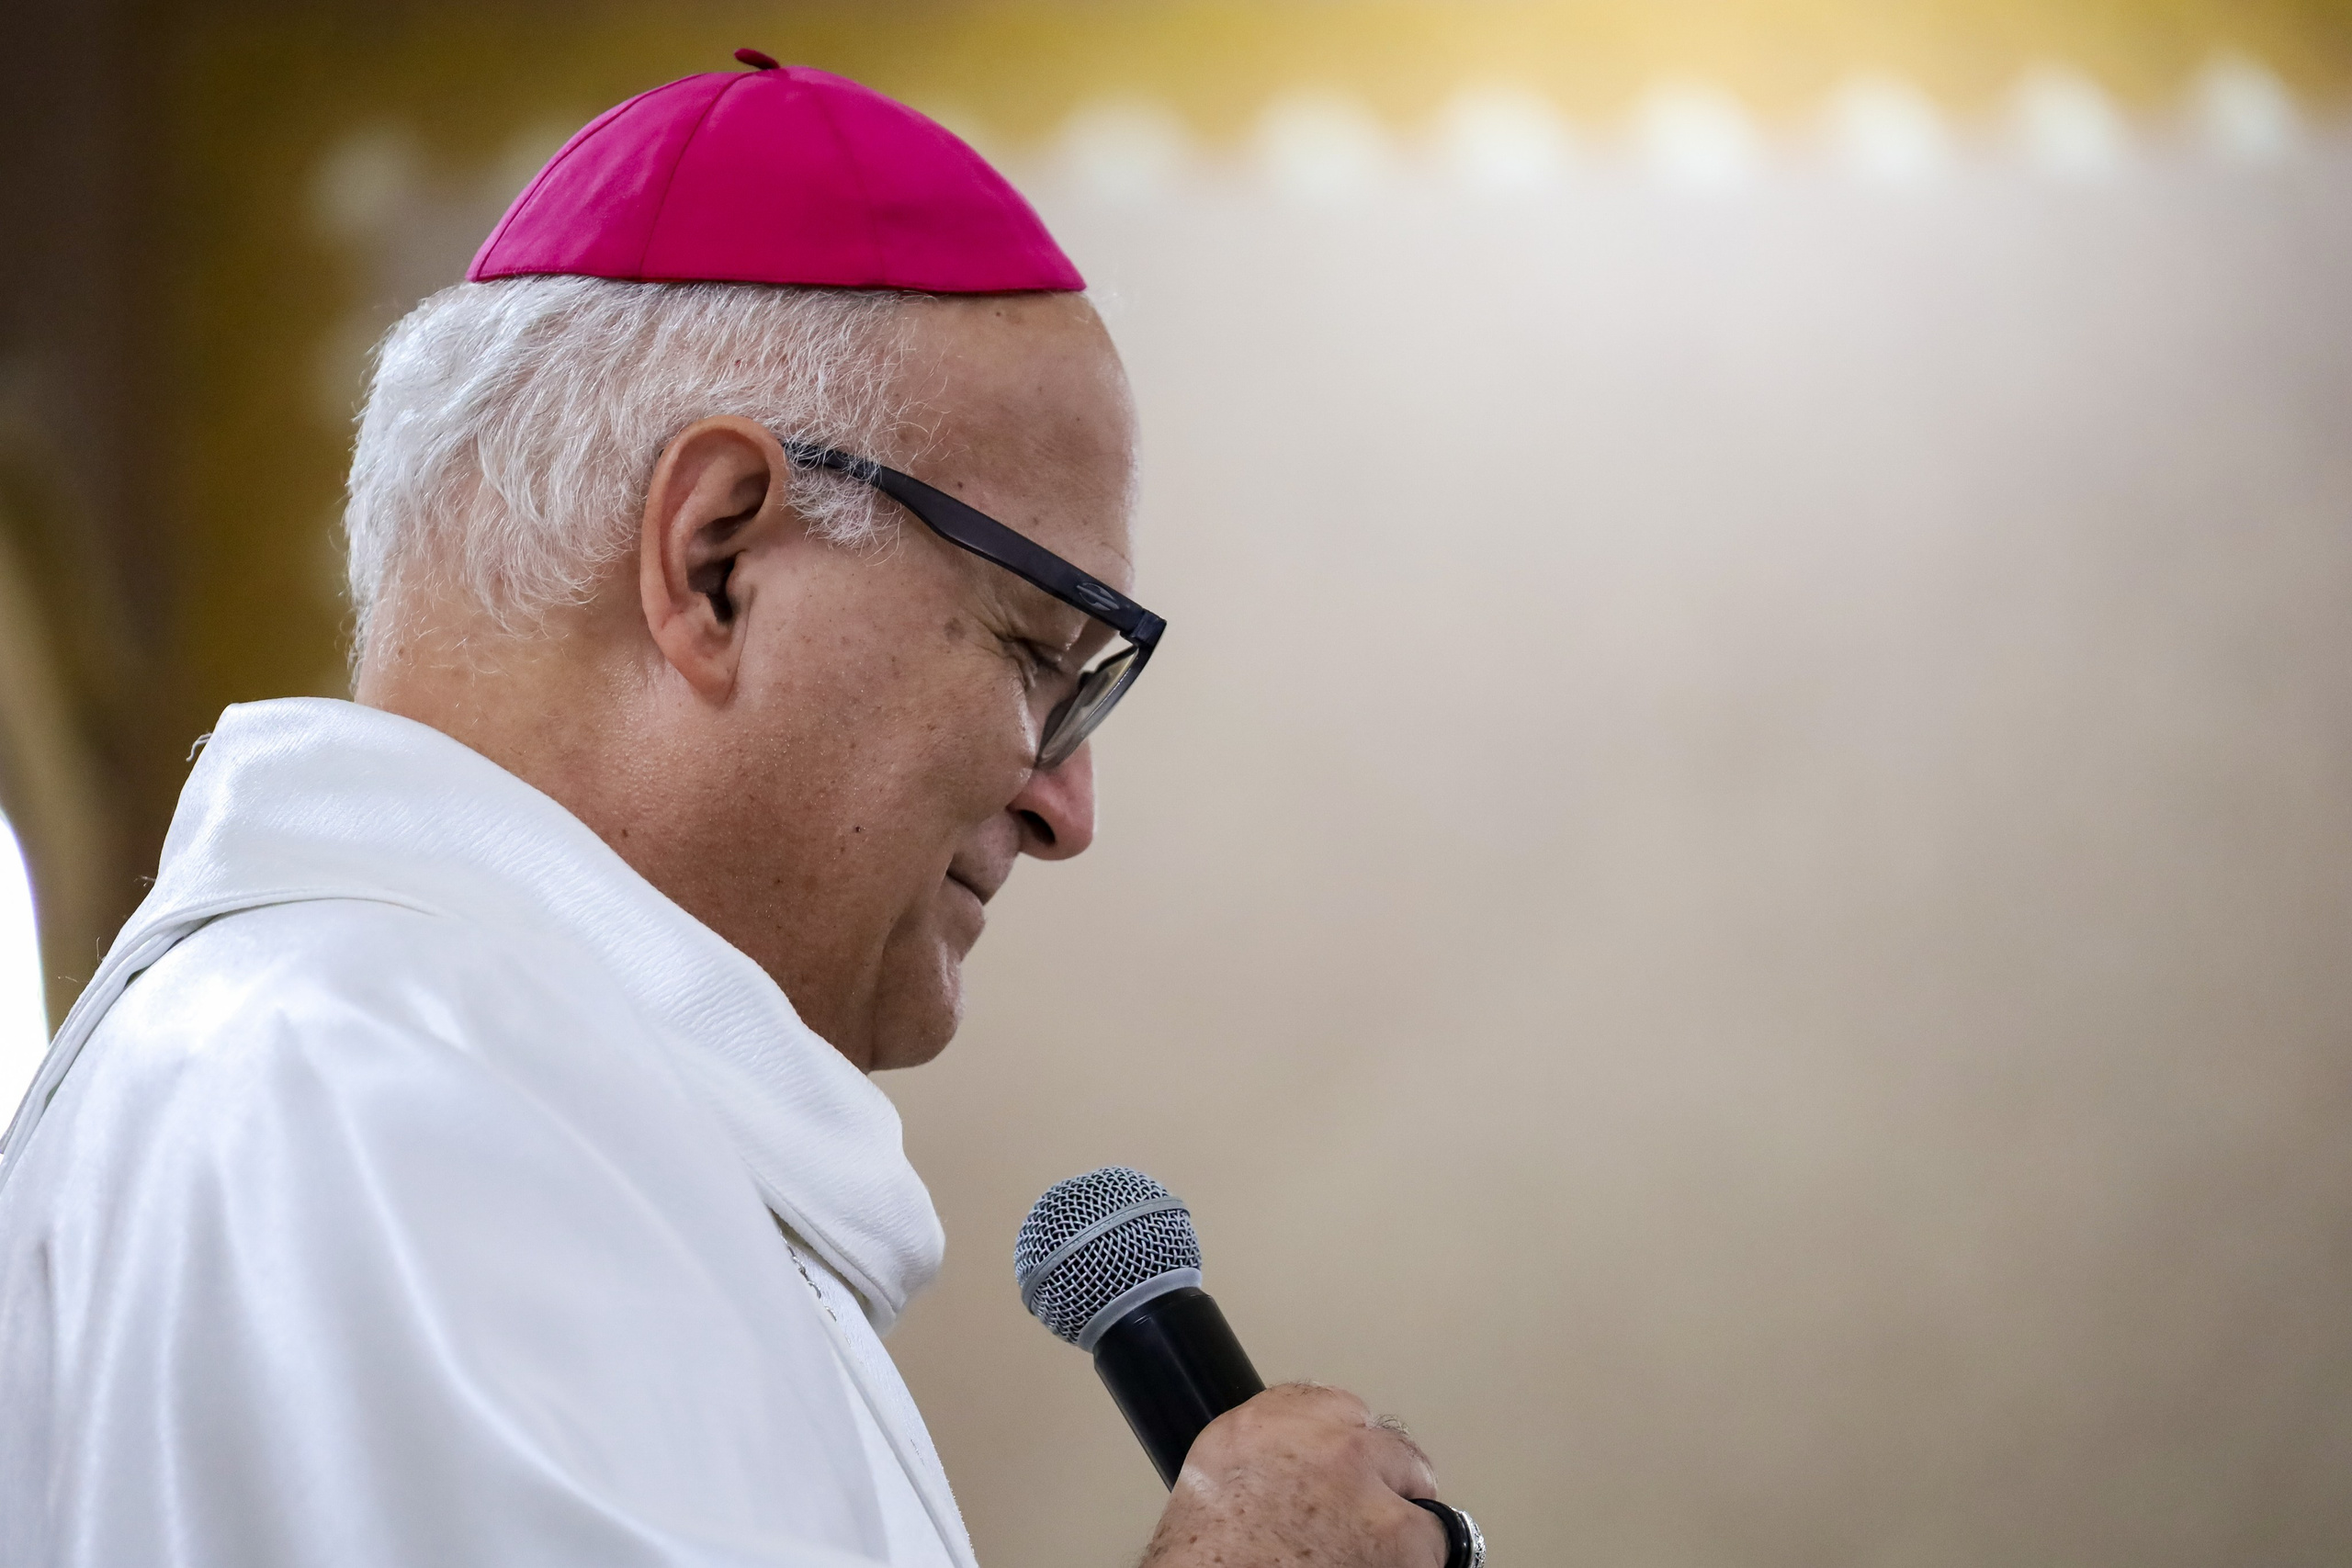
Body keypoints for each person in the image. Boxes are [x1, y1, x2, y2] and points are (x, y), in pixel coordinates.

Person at [0, 55, 1459, 1568]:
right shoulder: (364, 1081)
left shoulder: (495, 1090)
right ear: (717, 560)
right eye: (1037, 652)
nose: (1065, 806)